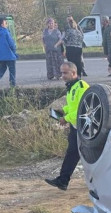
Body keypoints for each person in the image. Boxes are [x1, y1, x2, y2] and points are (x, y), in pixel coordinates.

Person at [45, 62, 90, 191]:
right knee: (72, 153)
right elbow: (73, 106)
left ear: (73, 73)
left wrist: (66, 118)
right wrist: (63, 112)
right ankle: (63, 180)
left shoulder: (81, 86)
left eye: (65, 73)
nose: (62, 76)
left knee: (79, 154)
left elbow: (84, 109)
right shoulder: (72, 87)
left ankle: (63, 180)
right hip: (76, 126)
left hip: (83, 127)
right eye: (61, 73)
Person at [0, 18, 18, 89]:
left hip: (0, 55)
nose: (6, 25)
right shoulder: (5, 32)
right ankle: (12, 85)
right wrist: (14, 51)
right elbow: (11, 44)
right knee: (12, 70)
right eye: (5, 23)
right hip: (9, 54)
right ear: (2, 24)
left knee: (3, 68)